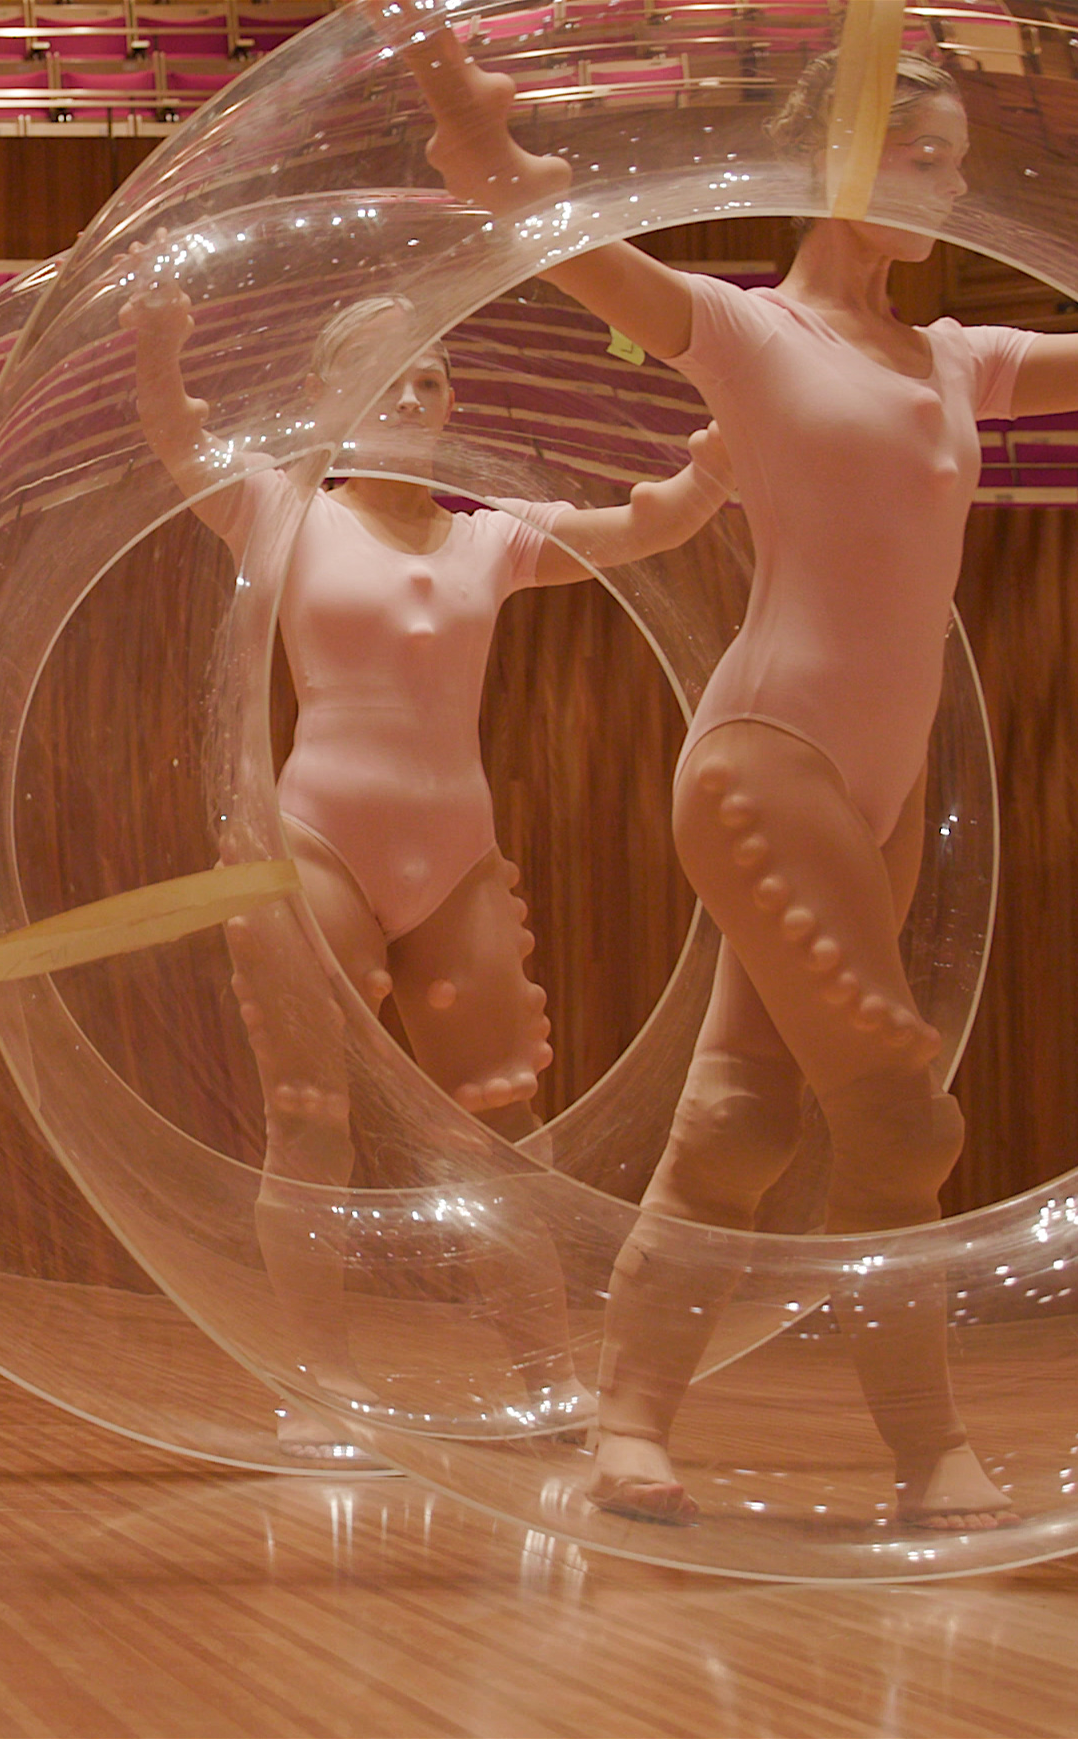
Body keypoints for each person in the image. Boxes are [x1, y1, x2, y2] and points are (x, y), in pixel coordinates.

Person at [390, 8, 1078, 1525]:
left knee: (741, 1118)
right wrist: (485, 153)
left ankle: (631, 1427)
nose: (940, 177)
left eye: (955, 159)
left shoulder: (956, 359)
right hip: (765, 763)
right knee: (905, 1113)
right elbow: (573, 248)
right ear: (828, 158)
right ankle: (929, 1456)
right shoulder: (748, 331)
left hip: (879, 786)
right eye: (915, 147)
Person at [125, 279, 733, 1457]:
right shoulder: (282, 512)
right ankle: (320, 1386)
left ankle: (542, 1383)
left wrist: (715, 468)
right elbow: (174, 440)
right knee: (308, 1119)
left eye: (433, 375)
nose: (414, 392)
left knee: (501, 1127)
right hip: (313, 845)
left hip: (452, 856)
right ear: (327, 397)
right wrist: (159, 346)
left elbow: (641, 531)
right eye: (388, 372)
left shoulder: (489, 537)